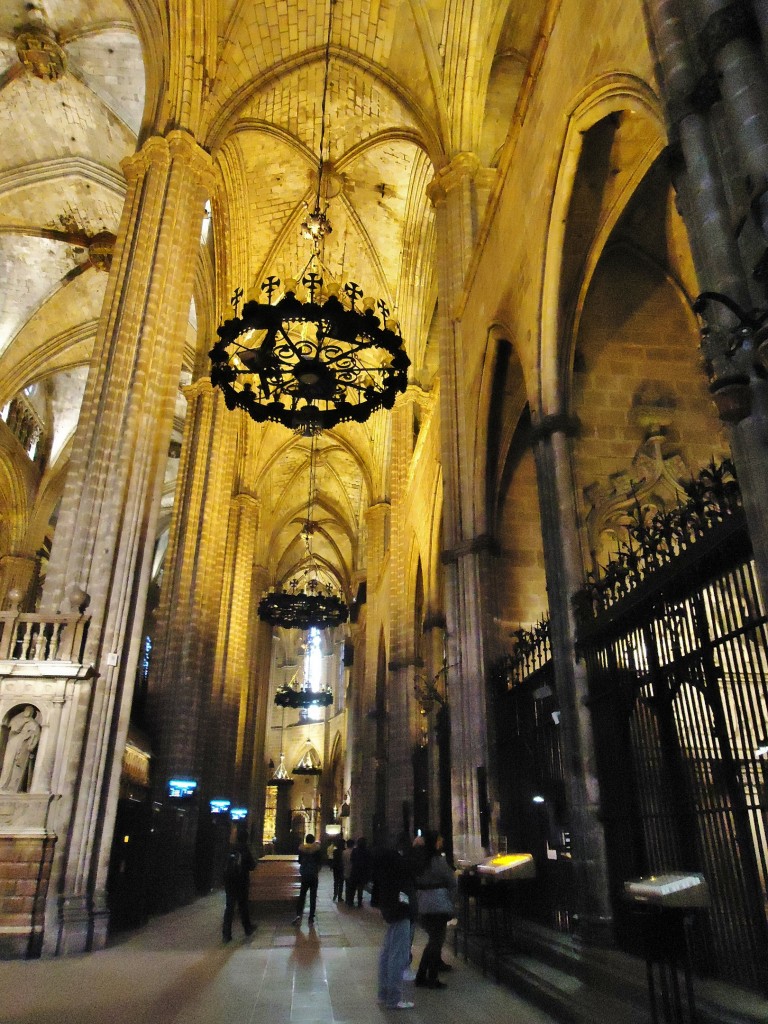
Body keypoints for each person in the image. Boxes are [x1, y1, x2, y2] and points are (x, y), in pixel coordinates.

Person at [373, 840, 417, 1010]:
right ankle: (393, 998)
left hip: (390, 909)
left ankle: (383, 994)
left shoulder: (384, 868)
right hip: (401, 911)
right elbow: (412, 874)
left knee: (387, 953)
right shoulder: (398, 867)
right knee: (398, 955)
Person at [413, 831, 457, 989]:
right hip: (438, 904)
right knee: (436, 941)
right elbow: (451, 881)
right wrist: (451, 901)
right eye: (439, 839)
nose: (442, 841)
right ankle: (431, 977)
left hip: (423, 904)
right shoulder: (438, 861)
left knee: (433, 940)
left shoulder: (420, 861)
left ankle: (421, 975)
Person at [222, 826, 256, 942]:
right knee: (243, 906)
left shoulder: (231, 849)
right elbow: (252, 866)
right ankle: (247, 928)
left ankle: (226, 934)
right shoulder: (245, 849)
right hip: (241, 881)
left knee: (229, 907)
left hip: (229, 881)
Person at [0, 705, 41, 792]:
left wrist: (32, 745)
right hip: (12, 744)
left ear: (32, 713)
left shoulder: (34, 724)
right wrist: (23, 723)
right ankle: (3, 784)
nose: (27, 712)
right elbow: (13, 730)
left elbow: (36, 735)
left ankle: (13, 787)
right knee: (7, 764)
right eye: (26, 710)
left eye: (30, 711)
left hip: (23, 747)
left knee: (18, 767)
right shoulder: (16, 720)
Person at [293, 832, 323, 925]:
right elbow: (319, 862)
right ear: (313, 840)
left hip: (305, 874)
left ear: (306, 840)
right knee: (313, 896)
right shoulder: (317, 849)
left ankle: (298, 914)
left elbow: (299, 861)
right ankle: (311, 917)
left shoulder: (301, 849)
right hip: (313, 874)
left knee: (302, 895)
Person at [348, 835, 371, 907]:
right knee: (360, 888)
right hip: (362, 872)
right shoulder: (367, 851)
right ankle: (359, 902)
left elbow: (351, 859)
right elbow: (368, 862)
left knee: (353, 888)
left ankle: (351, 902)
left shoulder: (355, 850)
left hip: (355, 871)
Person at [331, 835, 345, 901]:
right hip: (341, 867)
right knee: (341, 882)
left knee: (336, 881)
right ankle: (339, 896)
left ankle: (335, 894)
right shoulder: (344, 851)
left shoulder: (335, 851)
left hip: (336, 867)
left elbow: (334, 859)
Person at [342, 837, 355, 904]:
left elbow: (342, 861)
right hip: (353, 870)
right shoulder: (355, 851)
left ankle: (347, 899)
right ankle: (351, 899)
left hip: (346, 870)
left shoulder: (344, 852)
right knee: (353, 886)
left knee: (347, 886)